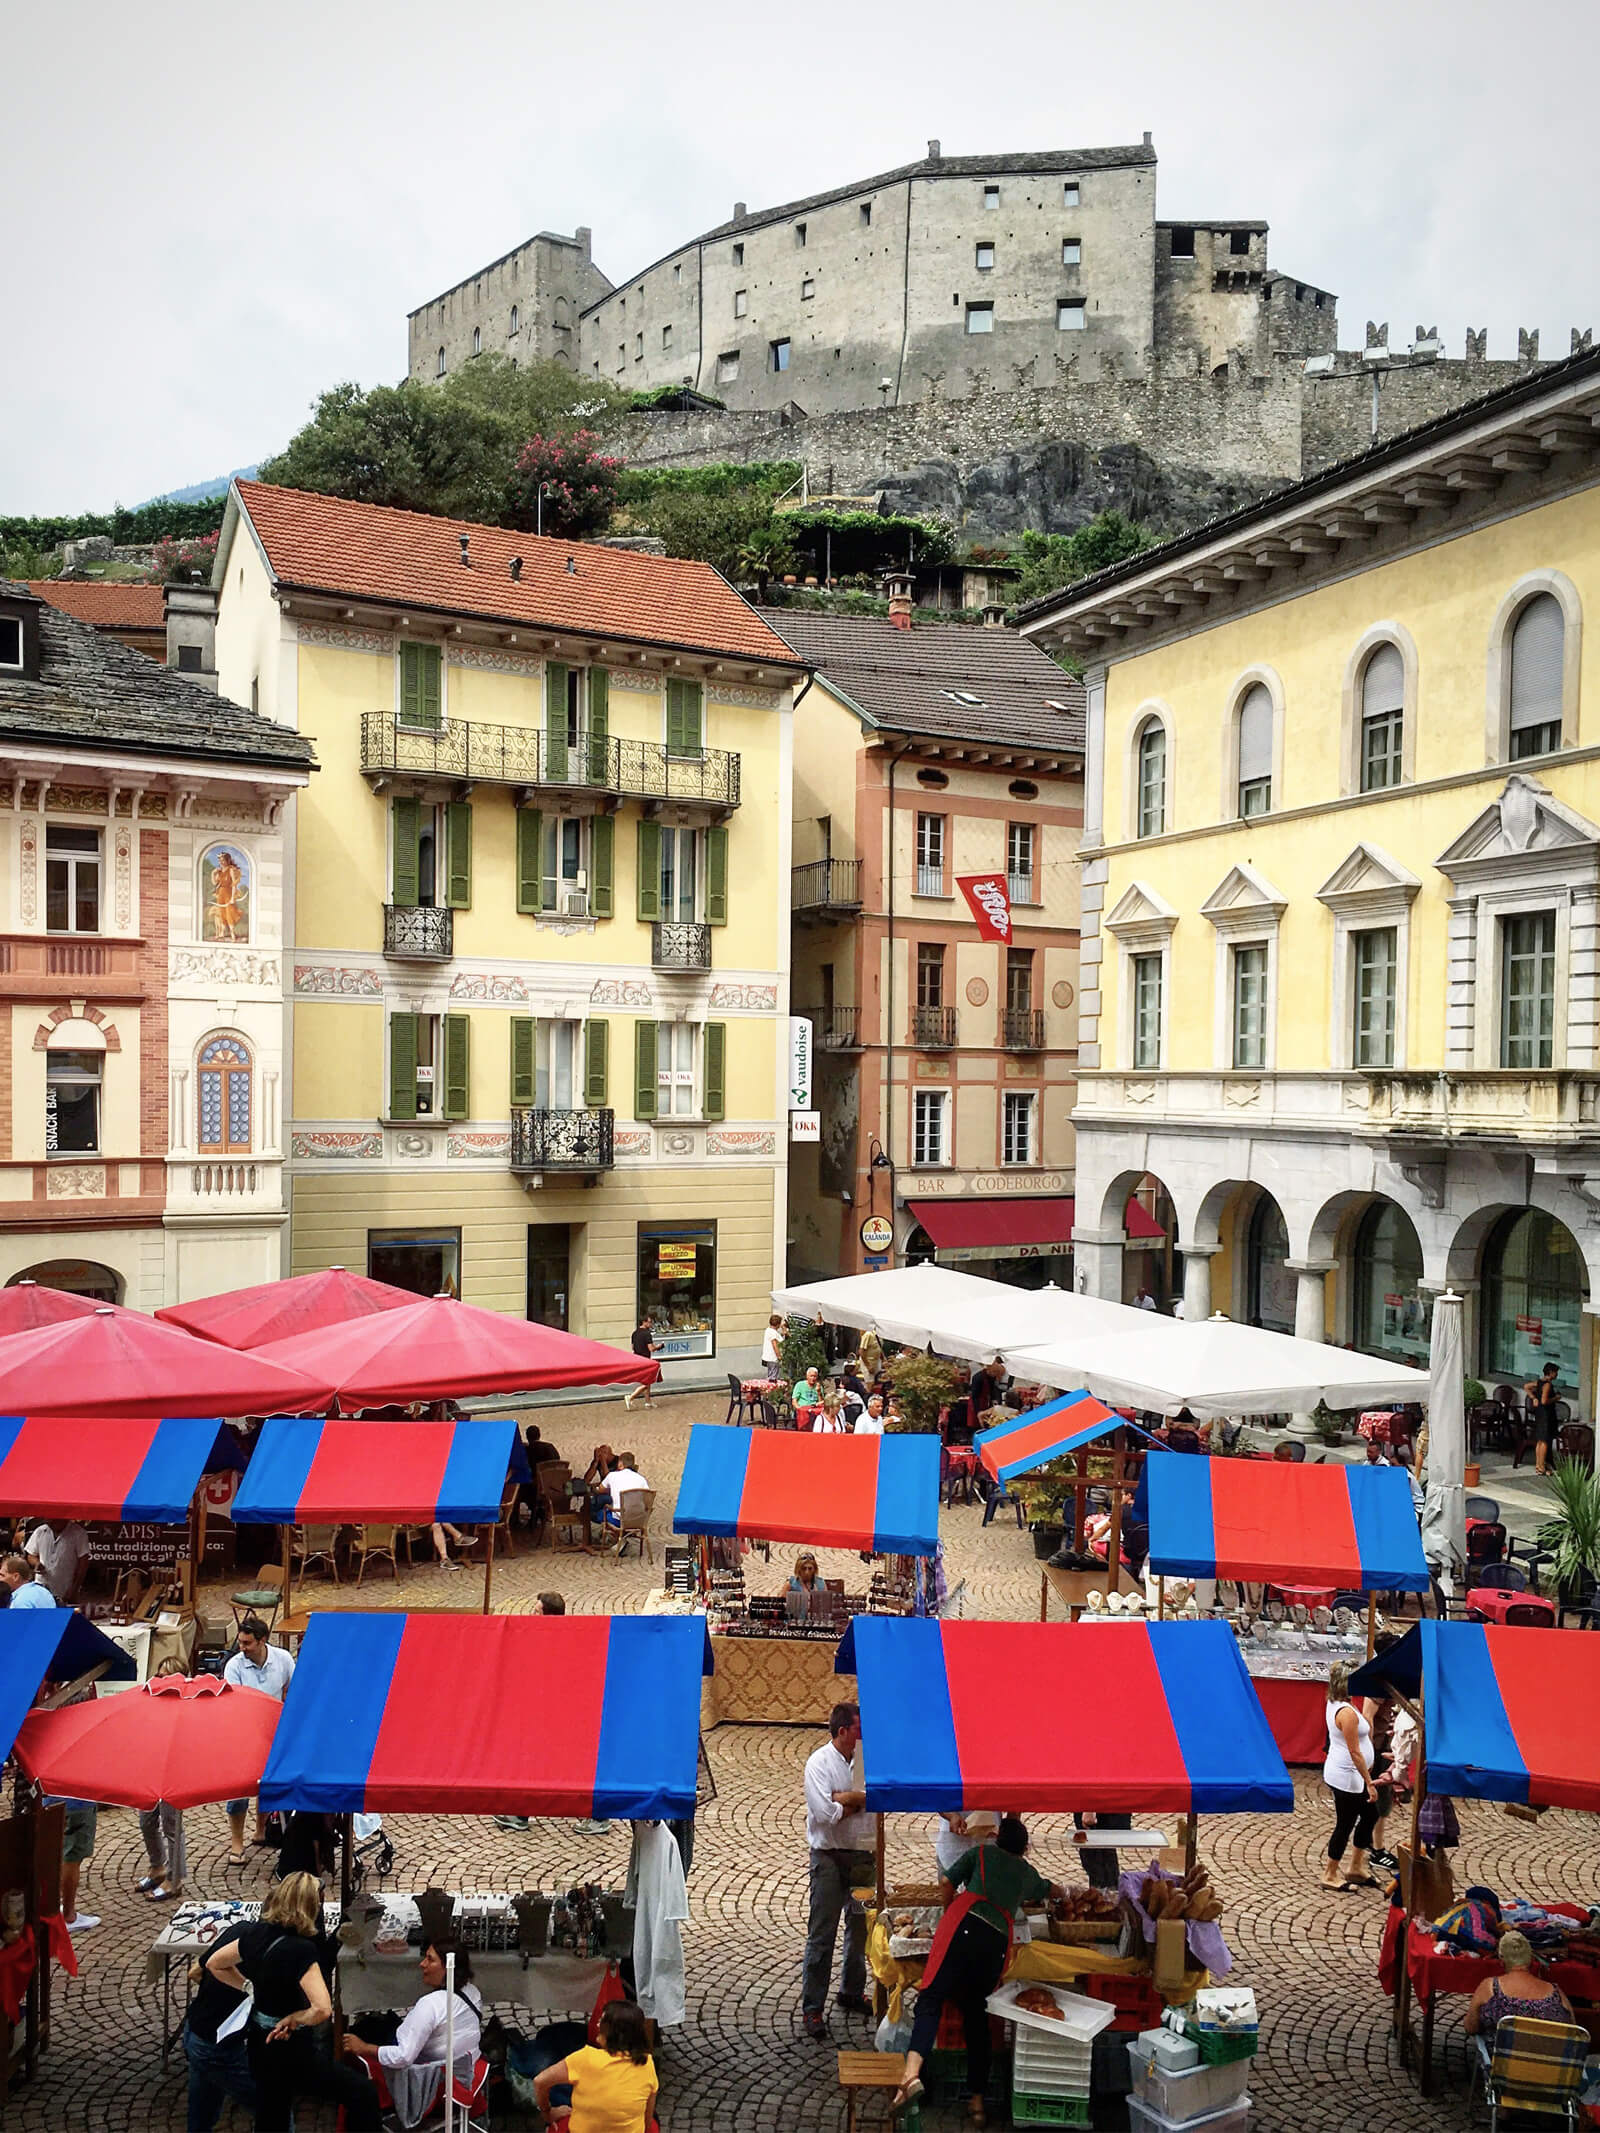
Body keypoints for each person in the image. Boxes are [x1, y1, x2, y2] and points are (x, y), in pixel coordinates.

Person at [894, 1816, 1062, 2125]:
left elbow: (946, 1882)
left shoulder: (981, 1854)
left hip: (963, 1928)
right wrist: (1062, 1890)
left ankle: (910, 2076)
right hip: (994, 1945)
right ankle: (977, 2103)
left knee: (931, 1999)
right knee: (976, 2017)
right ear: (1024, 1849)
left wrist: (949, 1910)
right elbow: (1051, 1889)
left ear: (996, 1838)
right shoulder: (1025, 1872)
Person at [205, 1870, 378, 2132]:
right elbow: (321, 2008)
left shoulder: (254, 1934)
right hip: (291, 2047)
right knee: (361, 2092)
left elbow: (214, 1963)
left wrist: (247, 1987)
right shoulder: (300, 1950)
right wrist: (297, 2018)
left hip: (259, 2043)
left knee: (271, 2113)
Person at [342, 1940, 483, 2127]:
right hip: (467, 2067)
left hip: (436, 2080)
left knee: (353, 2074)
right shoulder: (473, 1992)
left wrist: (363, 2048)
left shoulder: (431, 2005)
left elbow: (403, 2056)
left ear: (448, 1968)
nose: (422, 1964)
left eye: (430, 1960)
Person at [801, 1701, 873, 2039]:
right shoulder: (818, 1763)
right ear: (843, 1731)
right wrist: (853, 1800)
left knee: (860, 1930)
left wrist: (844, 1797)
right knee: (822, 1934)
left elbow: (875, 1800)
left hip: (863, 1858)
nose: (864, 1735)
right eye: (859, 1729)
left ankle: (851, 1991)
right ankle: (813, 2007)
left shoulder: (868, 1760)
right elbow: (824, 1814)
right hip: (828, 1858)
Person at [223, 1617, 295, 1865]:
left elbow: (291, 1688)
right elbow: (236, 1703)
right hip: (243, 1731)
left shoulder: (283, 1659)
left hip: (273, 1730)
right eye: (240, 1642)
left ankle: (261, 1830)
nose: (241, 1647)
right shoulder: (234, 1666)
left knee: (268, 1781)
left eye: (247, 1643)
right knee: (239, 1790)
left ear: (262, 1640)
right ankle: (236, 1843)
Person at [532, 1997, 656, 2131]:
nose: (597, 2025)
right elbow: (647, 2119)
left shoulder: (585, 2058)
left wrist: (547, 2112)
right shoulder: (647, 2062)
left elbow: (540, 2081)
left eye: (601, 2021)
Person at [183, 1917, 258, 2132]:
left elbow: (195, 1972)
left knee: (202, 2110)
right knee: (272, 2109)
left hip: (196, 2028)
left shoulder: (240, 1929)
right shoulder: (268, 1948)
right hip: (216, 2044)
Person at [1321, 1660, 1380, 1891]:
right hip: (1347, 1776)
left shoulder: (1339, 1703)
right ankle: (1330, 1872)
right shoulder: (1346, 1713)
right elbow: (1355, 1752)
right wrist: (1369, 1782)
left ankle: (1355, 1866)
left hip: (1351, 1774)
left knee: (1370, 1815)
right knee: (1345, 1824)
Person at [1464, 1930, 1576, 2044]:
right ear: (1531, 1960)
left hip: (1499, 2061)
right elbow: (1572, 2031)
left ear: (1502, 1961)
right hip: (1548, 2060)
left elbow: (1471, 2027)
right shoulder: (1557, 1994)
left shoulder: (1490, 1988)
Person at [51, 1793, 99, 1933]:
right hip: (78, 1802)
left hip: (50, 1799)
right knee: (72, 1858)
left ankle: (54, 1908)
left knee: (57, 1853)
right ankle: (69, 1916)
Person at [25, 1517, 89, 1602]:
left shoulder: (78, 1533)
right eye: (48, 1522)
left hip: (65, 1589)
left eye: (52, 1521)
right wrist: (37, 1563)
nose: (50, 1524)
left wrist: (75, 1588)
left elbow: (83, 1564)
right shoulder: (40, 1531)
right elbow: (31, 1555)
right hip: (42, 1587)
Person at [136, 1799, 187, 1902]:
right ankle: (157, 1868)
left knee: (172, 1825)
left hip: (172, 1785)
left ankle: (174, 1880)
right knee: (146, 1822)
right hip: (151, 1783)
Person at [1524, 1360, 1561, 1477]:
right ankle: (1541, 1467)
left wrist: (1533, 1397)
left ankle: (1538, 1465)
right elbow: (1545, 1401)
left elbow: (1526, 1386)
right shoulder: (1547, 1384)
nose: (1556, 1375)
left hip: (1539, 1413)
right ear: (1550, 1372)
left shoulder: (1540, 1382)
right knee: (1544, 1441)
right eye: (1555, 1372)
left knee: (1540, 1440)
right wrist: (1556, 1398)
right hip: (1546, 1414)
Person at [622, 1315, 656, 1410]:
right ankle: (631, 1397)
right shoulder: (647, 1334)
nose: (650, 1324)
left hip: (637, 1359)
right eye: (649, 1322)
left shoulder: (635, 1333)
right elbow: (651, 1348)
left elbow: (633, 1347)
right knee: (647, 1382)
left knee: (646, 1381)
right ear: (644, 1322)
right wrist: (659, 1347)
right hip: (646, 1360)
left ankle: (648, 1402)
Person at [762, 1313, 786, 1380]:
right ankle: (772, 1388)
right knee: (773, 1376)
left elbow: (777, 1338)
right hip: (773, 1358)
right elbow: (775, 1345)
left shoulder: (769, 1330)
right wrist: (779, 1356)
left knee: (771, 1374)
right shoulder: (773, 1332)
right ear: (778, 1324)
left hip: (769, 1358)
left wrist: (782, 1333)